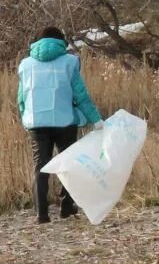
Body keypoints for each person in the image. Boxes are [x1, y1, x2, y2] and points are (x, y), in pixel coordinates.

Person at [18, 27, 103, 223]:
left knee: (40, 166)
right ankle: (66, 207)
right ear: (61, 42)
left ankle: (41, 213)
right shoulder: (70, 62)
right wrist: (95, 119)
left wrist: (26, 119)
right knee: (69, 164)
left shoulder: (25, 64)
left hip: (36, 122)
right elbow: (80, 95)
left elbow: (21, 98)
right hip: (65, 121)